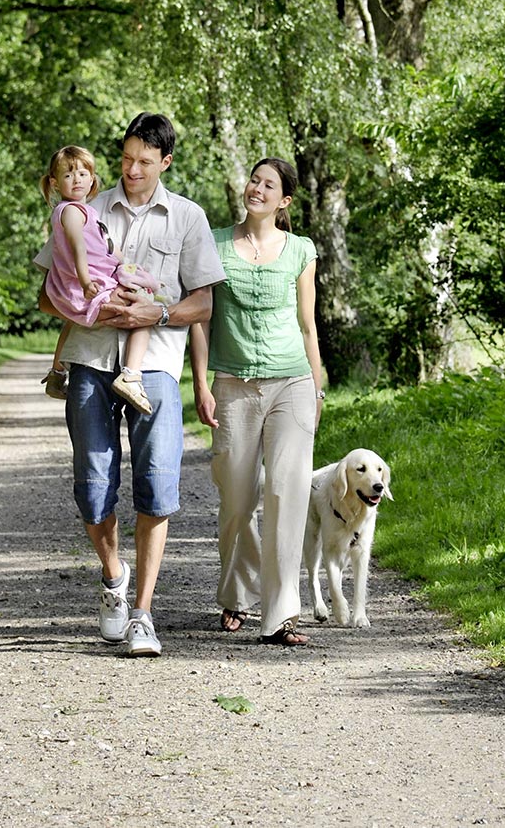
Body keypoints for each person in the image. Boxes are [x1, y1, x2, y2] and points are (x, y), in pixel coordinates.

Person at [36, 113, 225, 657]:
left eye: (145, 161)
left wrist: (157, 311)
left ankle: (143, 613)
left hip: (156, 366)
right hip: (91, 361)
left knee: (158, 484)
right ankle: (114, 578)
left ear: (166, 161)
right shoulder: (83, 207)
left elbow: (204, 304)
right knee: (93, 485)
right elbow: (48, 295)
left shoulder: (188, 217)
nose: (132, 170)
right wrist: (96, 313)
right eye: (125, 159)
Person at [190, 157, 324, 646]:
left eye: (269, 185)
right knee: (238, 499)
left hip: (292, 383)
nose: (257, 189)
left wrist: (318, 385)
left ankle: (282, 613)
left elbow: (308, 325)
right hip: (232, 384)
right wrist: (201, 384)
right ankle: (235, 596)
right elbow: (201, 319)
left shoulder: (301, 250)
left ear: (284, 200)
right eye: (254, 180)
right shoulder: (215, 243)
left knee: (286, 496)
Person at [38, 144, 167, 415]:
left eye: (83, 174)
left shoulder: (88, 212)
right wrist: (86, 282)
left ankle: (57, 372)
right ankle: (131, 375)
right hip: (86, 283)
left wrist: (128, 267)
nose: (77, 180)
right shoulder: (71, 211)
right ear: (54, 182)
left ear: (92, 178)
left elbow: (108, 246)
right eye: (68, 175)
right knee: (142, 309)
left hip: (74, 287)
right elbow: (78, 247)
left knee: (72, 323)